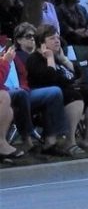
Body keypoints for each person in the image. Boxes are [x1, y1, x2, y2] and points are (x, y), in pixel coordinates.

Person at [26, 24, 88, 154]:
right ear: (42, 42)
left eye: (58, 38)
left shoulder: (58, 58)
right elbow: (50, 78)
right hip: (49, 97)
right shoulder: (35, 59)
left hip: (67, 90)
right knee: (75, 96)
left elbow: (79, 75)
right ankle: (70, 141)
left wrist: (64, 60)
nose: (57, 41)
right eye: (52, 38)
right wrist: (50, 58)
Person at [3, 24, 75, 156]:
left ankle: (52, 141)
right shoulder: (18, 55)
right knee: (53, 92)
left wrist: (62, 59)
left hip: (27, 90)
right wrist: (49, 59)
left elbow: (75, 75)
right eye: (28, 36)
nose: (32, 39)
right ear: (18, 40)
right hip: (18, 92)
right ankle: (29, 139)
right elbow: (47, 77)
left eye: (33, 36)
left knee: (57, 93)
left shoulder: (41, 55)